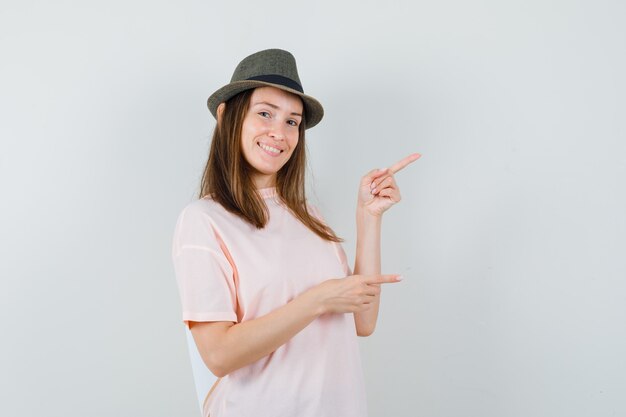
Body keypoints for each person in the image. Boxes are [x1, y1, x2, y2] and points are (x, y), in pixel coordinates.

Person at [171, 48, 420, 417]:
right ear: (227, 116)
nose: (280, 132)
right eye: (265, 113)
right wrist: (317, 300)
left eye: (292, 121)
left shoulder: (309, 217)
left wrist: (368, 217)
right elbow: (219, 354)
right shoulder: (204, 221)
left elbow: (362, 322)